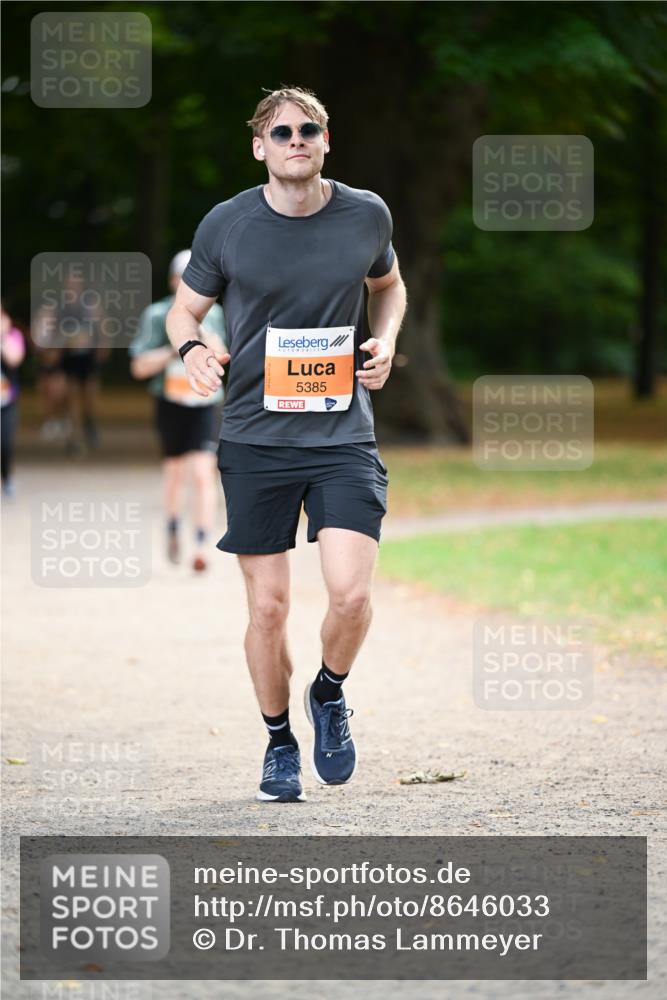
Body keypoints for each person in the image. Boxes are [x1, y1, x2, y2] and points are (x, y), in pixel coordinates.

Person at [166, 86, 407, 802]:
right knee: (267, 609)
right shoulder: (227, 225)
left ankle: (328, 692)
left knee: (351, 595)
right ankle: (277, 742)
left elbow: (388, 286)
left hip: (340, 434)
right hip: (255, 438)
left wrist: (386, 340)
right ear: (259, 146)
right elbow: (186, 308)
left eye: (308, 129)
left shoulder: (366, 213)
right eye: (280, 132)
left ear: (326, 139)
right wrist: (191, 348)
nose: (294, 140)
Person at [130, 251, 226, 572]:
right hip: (170, 402)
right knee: (175, 473)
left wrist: (207, 343)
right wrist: (177, 349)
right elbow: (139, 367)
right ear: (173, 281)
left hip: (205, 402)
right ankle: (172, 527)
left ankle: (201, 543)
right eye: (183, 278)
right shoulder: (157, 315)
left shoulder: (215, 315)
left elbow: (225, 356)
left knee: (202, 472)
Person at [1, 303, 26, 497]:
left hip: (6, 401)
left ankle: (7, 477)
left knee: (5, 444)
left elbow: (14, 359)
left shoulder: (12, 336)